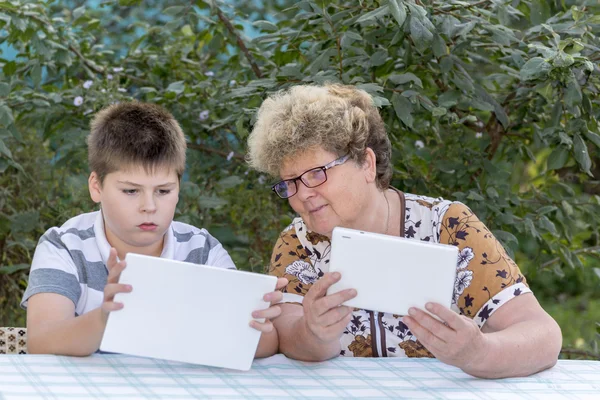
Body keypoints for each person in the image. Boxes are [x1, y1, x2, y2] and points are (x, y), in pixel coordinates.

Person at [246, 83, 562, 378]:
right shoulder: (298, 242)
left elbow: (542, 335)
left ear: (367, 164)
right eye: (290, 183)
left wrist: (478, 352)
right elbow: (288, 336)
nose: (302, 194)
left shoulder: (448, 226)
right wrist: (314, 334)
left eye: (316, 174)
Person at [22, 102, 285, 357]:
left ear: (178, 188)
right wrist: (105, 317)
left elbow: (264, 346)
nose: (149, 206)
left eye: (163, 191)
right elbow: (42, 341)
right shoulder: (64, 247)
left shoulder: (202, 251)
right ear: (96, 186)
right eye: (130, 191)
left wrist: (256, 323)